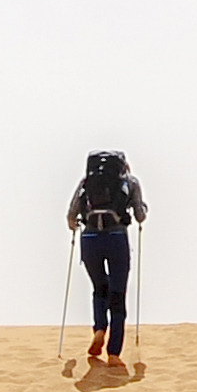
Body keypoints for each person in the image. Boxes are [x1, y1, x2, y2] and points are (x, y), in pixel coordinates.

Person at [67, 149, 146, 371]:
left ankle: (100, 329)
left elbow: (71, 216)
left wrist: (76, 224)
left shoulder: (86, 182)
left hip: (90, 239)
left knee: (99, 288)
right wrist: (142, 210)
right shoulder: (130, 182)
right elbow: (139, 215)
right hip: (116, 238)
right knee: (117, 294)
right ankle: (113, 353)